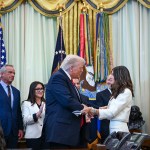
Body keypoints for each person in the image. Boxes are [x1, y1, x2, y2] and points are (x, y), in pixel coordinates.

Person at [43, 54, 89, 149]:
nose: (82, 70)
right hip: (60, 132)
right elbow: (66, 100)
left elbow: (74, 100)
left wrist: (87, 108)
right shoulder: (58, 77)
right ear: (71, 68)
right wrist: (83, 108)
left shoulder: (66, 79)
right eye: (81, 68)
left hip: (66, 133)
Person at [83, 66, 134, 134]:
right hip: (114, 127)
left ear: (119, 76)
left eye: (112, 74)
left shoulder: (125, 91)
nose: (110, 76)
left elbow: (112, 112)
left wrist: (93, 111)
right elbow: (114, 108)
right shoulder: (118, 91)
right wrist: (104, 108)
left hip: (119, 129)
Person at [0, 64, 23, 148]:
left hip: (14, 131)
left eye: (14, 73)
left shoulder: (16, 92)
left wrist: (20, 128)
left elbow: (18, 111)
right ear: (2, 74)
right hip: (1, 130)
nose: (13, 75)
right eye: (10, 72)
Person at [22, 81, 47, 150]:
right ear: (32, 90)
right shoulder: (26, 103)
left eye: (42, 88)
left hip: (46, 136)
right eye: (37, 89)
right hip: (33, 137)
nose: (40, 90)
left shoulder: (46, 103)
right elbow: (25, 120)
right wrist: (37, 114)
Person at [95, 74, 114, 143]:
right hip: (106, 127)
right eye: (108, 80)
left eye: (111, 80)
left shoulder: (121, 94)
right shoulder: (100, 94)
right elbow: (99, 110)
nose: (109, 82)